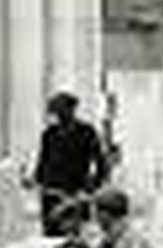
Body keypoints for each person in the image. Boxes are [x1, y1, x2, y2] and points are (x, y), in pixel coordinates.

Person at [32, 92, 109, 238]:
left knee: (76, 235)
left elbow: (101, 164)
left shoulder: (87, 133)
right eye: (57, 113)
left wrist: (91, 188)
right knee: (52, 235)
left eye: (63, 112)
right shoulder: (49, 134)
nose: (60, 117)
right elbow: (43, 162)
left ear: (72, 110)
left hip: (76, 194)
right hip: (51, 195)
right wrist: (38, 181)